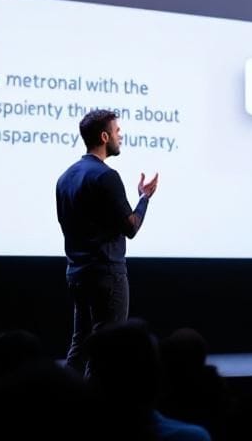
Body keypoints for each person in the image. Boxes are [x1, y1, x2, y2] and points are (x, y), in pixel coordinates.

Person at [56, 108, 159, 373]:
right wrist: (144, 199)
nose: (120, 136)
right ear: (104, 137)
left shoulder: (65, 177)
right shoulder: (106, 176)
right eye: (117, 131)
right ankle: (97, 400)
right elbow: (131, 227)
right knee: (108, 352)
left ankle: (66, 396)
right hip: (106, 275)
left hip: (77, 274)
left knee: (80, 345)